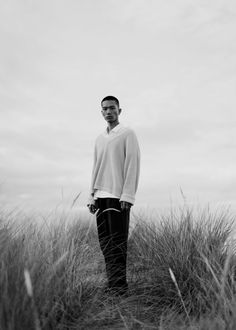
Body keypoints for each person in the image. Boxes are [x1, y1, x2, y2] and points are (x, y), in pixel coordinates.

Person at [87, 95, 140, 295]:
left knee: (118, 242)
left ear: (119, 110)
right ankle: (113, 284)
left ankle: (120, 288)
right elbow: (95, 167)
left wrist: (128, 195)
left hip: (118, 196)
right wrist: (91, 196)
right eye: (105, 109)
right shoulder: (99, 139)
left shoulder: (128, 134)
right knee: (105, 243)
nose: (109, 111)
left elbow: (132, 164)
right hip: (100, 196)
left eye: (112, 108)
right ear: (101, 112)